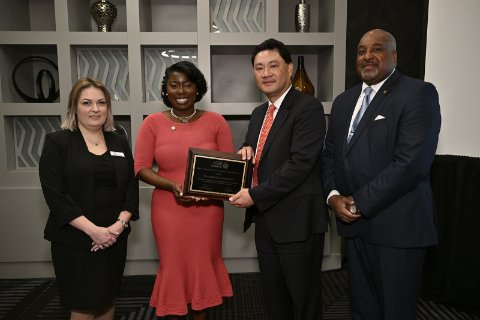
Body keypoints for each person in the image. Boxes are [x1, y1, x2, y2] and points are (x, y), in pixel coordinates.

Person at [322, 29, 441, 320]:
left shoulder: (418, 93)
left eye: (377, 49)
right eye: (362, 51)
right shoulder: (343, 101)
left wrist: (359, 203)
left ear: (394, 56)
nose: (367, 56)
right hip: (355, 229)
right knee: (363, 309)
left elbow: (411, 164)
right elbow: (330, 155)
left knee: (395, 311)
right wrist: (333, 196)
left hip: (397, 230)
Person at [229, 38, 329, 320]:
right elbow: (259, 157)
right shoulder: (260, 113)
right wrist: (245, 154)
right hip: (265, 221)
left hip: (298, 221)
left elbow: (300, 164)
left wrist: (255, 195)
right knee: (274, 297)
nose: (266, 73)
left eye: (273, 65)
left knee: (303, 299)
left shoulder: (308, 107)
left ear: (288, 68)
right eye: (259, 68)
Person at [134, 61, 234, 319]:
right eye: (174, 84)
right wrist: (172, 186)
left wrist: (210, 191)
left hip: (208, 211)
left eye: (187, 84)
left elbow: (230, 171)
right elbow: (141, 168)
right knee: (174, 268)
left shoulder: (216, 122)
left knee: (202, 268)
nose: (181, 90)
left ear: (197, 89)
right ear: (165, 89)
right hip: (168, 209)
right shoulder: (152, 123)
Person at [39, 77, 139, 320]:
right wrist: (94, 231)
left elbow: (130, 187)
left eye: (101, 102)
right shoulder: (58, 142)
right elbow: (55, 194)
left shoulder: (119, 140)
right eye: (87, 103)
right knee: (82, 306)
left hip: (114, 238)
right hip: (75, 241)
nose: (95, 109)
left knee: (106, 300)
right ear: (74, 108)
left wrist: (118, 227)